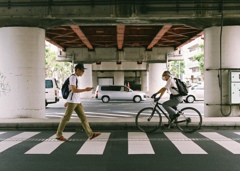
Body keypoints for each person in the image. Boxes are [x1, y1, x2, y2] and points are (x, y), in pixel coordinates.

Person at [56, 63, 101, 141]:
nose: (83, 72)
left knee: (83, 118)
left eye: (83, 71)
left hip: (76, 101)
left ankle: (90, 134)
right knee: (66, 118)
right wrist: (85, 89)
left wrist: (68, 101)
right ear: (77, 70)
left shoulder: (77, 78)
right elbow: (74, 90)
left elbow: (71, 91)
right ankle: (59, 135)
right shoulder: (73, 77)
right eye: (82, 70)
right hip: (73, 101)